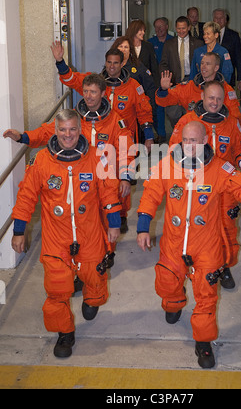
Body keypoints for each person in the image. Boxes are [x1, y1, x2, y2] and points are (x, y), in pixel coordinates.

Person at [136, 120, 241, 368]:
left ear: (205, 141)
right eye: (186, 140)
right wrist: (142, 227)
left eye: (195, 140)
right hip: (174, 242)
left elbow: (240, 185)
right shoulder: (168, 165)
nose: (190, 146)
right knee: (167, 283)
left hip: (206, 246)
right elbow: (150, 194)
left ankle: (203, 342)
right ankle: (174, 303)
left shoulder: (218, 168)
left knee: (206, 296)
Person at [11, 109, 121, 358]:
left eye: (72, 129)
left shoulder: (96, 157)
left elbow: (108, 192)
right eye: (62, 130)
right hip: (56, 237)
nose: (68, 135)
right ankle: (65, 333)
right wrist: (19, 230)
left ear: (80, 130)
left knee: (94, 275)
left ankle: (92, 297)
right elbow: (26, 196)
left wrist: (114, 223)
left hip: (90, 233)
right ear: (55, 131)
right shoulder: (41, 161)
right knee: (57, 288)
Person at [4, 73, 134, 234]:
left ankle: (106, 254)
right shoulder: (72, 119)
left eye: (93, 92)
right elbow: (46, 131)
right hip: (81, 176)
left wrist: (125, 177)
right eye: (85, 91)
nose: (88, 96)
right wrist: (23, 137)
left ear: (102, 93)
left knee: (106, 219)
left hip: (106, 177)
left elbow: (125, 150)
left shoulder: (115, 121)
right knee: (84, 220)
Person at [169, 80, 241, 288]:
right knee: (193, 228)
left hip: (223, 186)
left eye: (218, 99)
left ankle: (223, 267)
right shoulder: (188, 120)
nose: (214, 102)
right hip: (196, 186)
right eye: (210, 98)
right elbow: (173, 151)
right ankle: (189, 268)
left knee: (226, 231)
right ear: (202, 98)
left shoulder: (231, 122)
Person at [156, 52, 241, 122]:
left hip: (217, 135)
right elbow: (166, 100)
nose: (203, 67)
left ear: (216, 67)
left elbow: (235, 119)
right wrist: (163, 90)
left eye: (208, 64)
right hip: (195, 135)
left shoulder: (227, 90)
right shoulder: (190, 87)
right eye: (202, 63)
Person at [111, 35, 166, 142]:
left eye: (126, 47)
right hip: (114, 114)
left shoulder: (138, 66)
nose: (123, 49)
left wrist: (149, 106)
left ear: (130, 50)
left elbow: (150, 87)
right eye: (120, 46)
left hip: (135, 115)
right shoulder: (110, 67)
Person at [159, 16, 203, 127]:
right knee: (173, 114)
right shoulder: (169, 44)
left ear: (188, 27)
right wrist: (166, 78)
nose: (181, 31)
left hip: (192, 82)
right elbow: (163, 63)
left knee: (193, 114)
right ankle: (178, 134)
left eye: (183, 28)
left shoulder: (198, 43)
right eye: (178, 28)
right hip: (175, 83)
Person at [212, 8, 241, 91]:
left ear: (226, 19)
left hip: (228, 78)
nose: (218, 20)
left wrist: (240, 79)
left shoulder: (234, 36)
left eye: (221, 18)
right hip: (211, 78)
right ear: (213, 19)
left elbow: (238, 58)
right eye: (216, 18)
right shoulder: (207, 35)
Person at [126, 19, 160, 88]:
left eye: (144, 30)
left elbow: (154, 68)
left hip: (146, 85)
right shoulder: (125, 46)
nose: (143, 33)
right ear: (133, 30)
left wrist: (156, 86)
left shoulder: (148, 46)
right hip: (128, 85)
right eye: (141, 30)